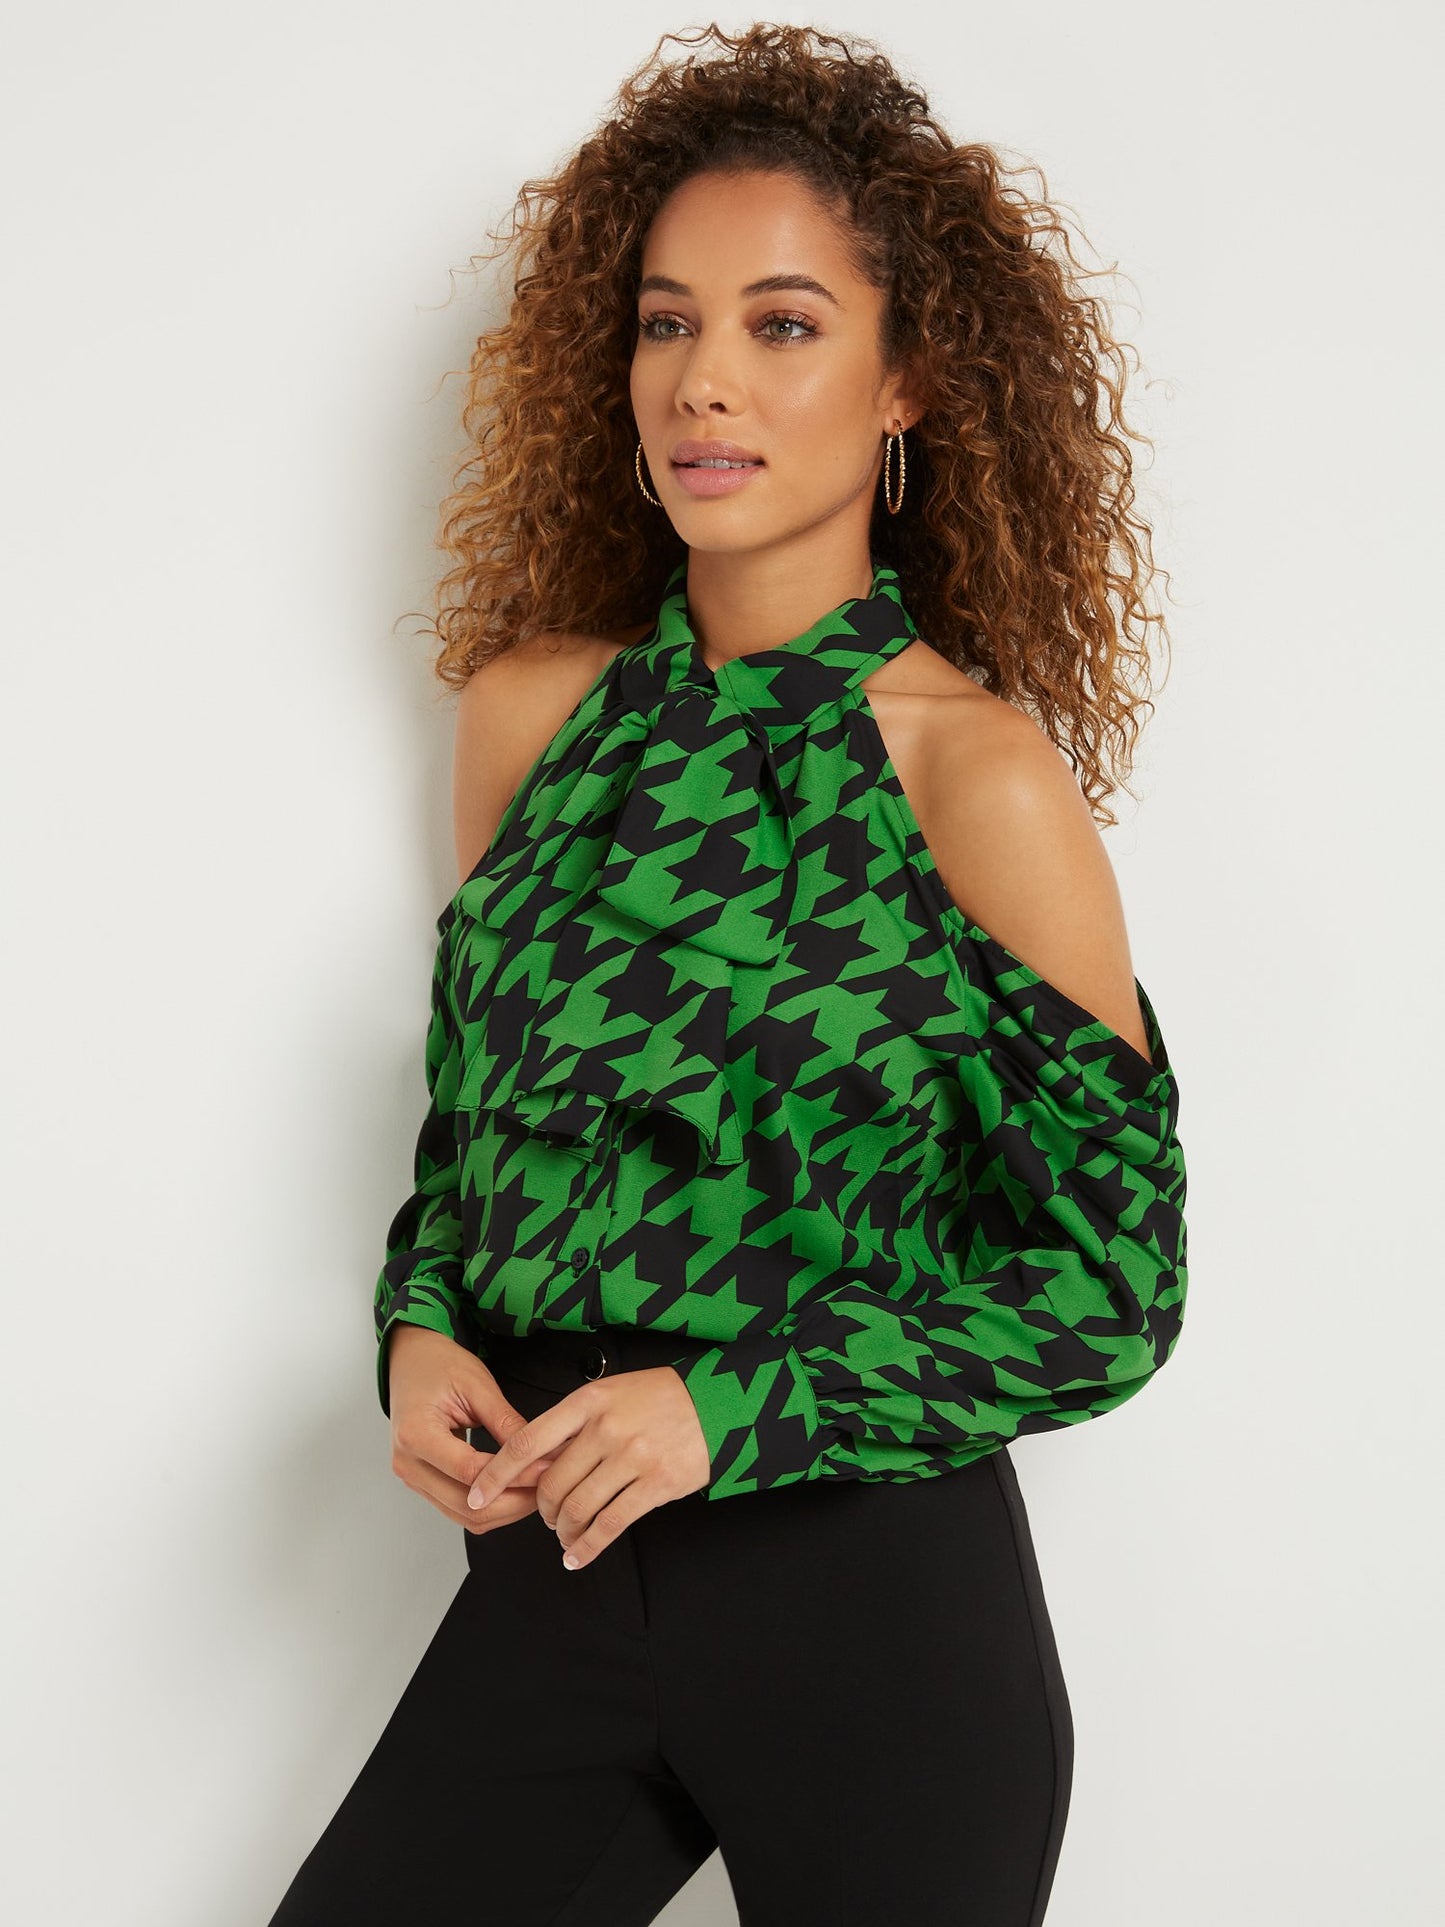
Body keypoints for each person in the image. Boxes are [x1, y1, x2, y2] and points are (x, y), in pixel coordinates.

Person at [267, 22, 1189, 1926]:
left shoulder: (974, 778)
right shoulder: (533, 722)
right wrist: (421, 1327)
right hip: (552, 1582)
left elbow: (1113, 1287)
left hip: (871, 1618)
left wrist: (729, 1408)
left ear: (906, 375)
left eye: (781, 325)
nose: (703, 380)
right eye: (665, 323)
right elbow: (482, 1143)